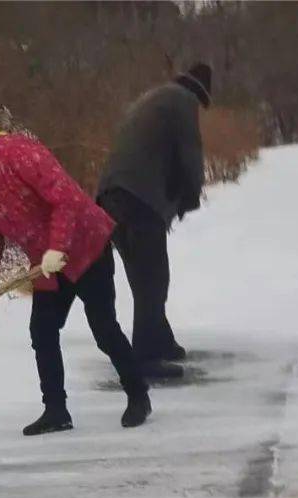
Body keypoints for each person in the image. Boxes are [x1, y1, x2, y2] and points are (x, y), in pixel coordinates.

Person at [0, 98, 150, 436]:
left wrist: (58, 246)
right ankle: (56, 410)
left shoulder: (16, 153)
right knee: (42, 331)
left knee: (103, 328)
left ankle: (138, 394)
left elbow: (64, 196)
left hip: (86, 246)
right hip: (46, 264)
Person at [97, 63, 211, 378]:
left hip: (110, 196)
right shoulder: (182, 102)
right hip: (137, 199)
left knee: (145, 275)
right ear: (199, 92)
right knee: (153, 278)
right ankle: (146, 357)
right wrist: (191, 195)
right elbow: (190, 152)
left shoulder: (154, 98)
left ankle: (159, 339)